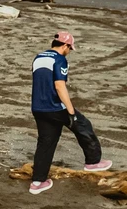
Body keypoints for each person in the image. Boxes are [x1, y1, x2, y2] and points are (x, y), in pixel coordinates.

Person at [28, 32, 112, 195]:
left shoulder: (38, 57)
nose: (69, 52)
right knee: (83, 126)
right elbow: (60, 86)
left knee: (46, 142)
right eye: (70, 48)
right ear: (65, 46)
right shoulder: (60, 60)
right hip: (55, 107)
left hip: (38, 107)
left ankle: (38, 182)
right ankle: (93, 162)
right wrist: (71, 111)